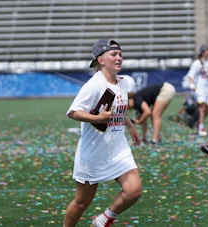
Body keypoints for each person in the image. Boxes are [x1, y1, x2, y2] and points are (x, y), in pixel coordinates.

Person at [64, 38, 142, 227]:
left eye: (120, 55)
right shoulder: (94, 85)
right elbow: (73, 112)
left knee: (134, 191)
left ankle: (103, 220)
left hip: (118, 149)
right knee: (82, 202)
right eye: (113, 54)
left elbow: (119, 110)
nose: (119, 58)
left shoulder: (122, 83)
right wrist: (97, 119)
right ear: (101, 59)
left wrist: (131, 127)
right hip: (93, 153)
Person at [186, 44, 208, 136]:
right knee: (202, 107)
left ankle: (197, 122)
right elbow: (190, 76)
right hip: (199, 89)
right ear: (203, 52)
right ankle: (201, 126)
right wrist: (192, 85)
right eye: (207, 50)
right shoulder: (197, 63)